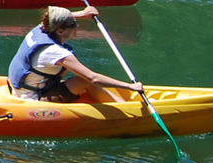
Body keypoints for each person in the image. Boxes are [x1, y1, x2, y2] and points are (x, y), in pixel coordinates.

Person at [8, 7, 140, 103]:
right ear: (60, 30)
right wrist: (130, 86)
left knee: (79, 77)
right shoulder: (56, 53)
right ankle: (126, 109)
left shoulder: (42, 28)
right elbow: (93, 78)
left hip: (23, 88)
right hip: (32, 99)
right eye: (73, 24)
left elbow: (51, 17)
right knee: (85, 80)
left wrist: (83, 14)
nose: (77, 25)